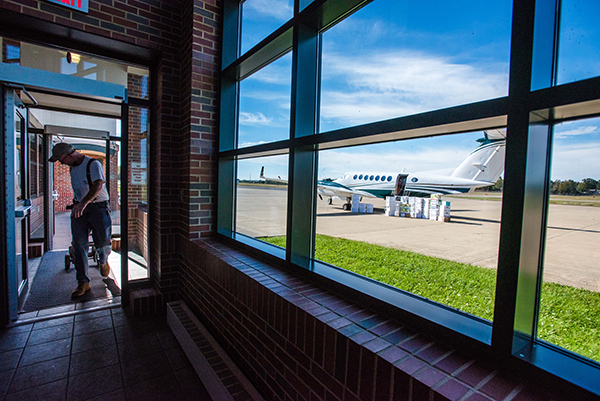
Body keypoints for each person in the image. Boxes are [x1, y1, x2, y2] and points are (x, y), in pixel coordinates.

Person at [49, 142, 112, 298]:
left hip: (98, 208)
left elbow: (97, 186)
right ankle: (83, 282)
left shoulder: (93, 164)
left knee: (103, 242)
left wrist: (84, 203)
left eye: (61, 159)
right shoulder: (73, 168)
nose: (61, 163)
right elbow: (80, 189)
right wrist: (77, 204)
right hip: (80, 209)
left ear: (70, 155)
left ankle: (103, 260)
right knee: (78, 245)